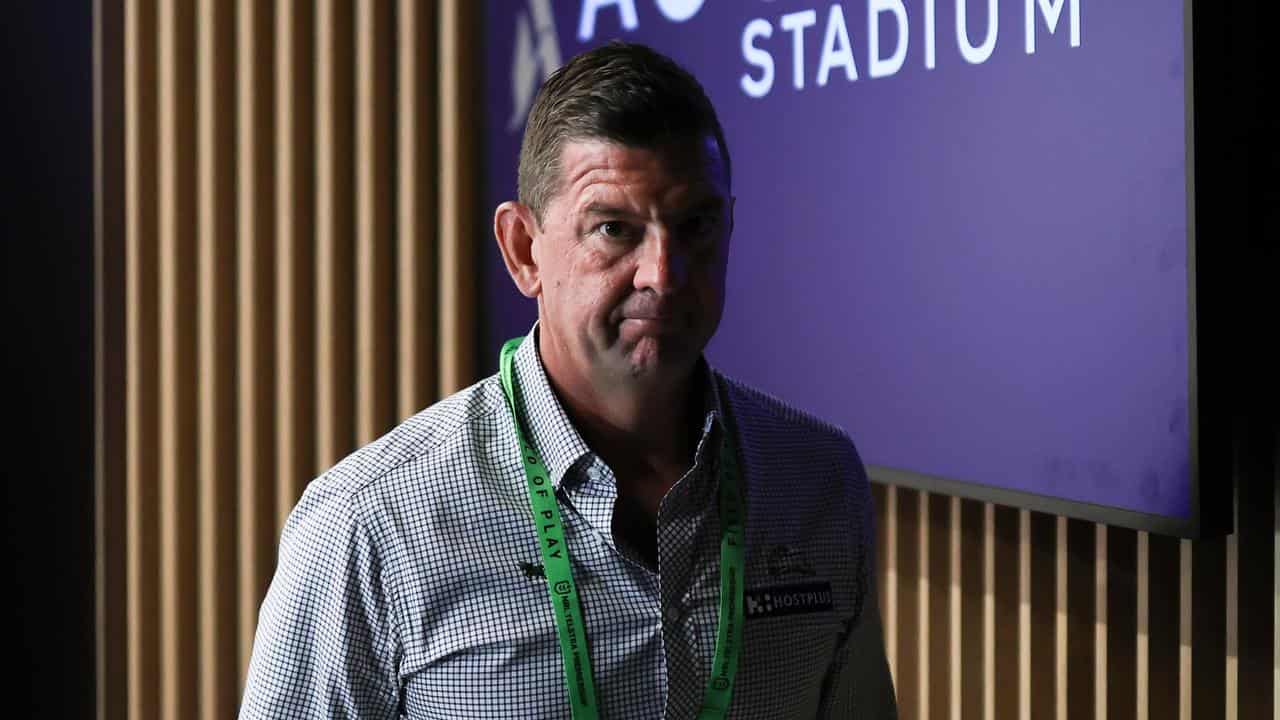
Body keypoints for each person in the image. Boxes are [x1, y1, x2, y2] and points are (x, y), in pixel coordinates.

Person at [240, 42, 897, 719]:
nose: (662, 275)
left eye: (695, 226)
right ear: (523, 250)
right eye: (614, 228)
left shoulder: (817, 481)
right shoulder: (371, 523)